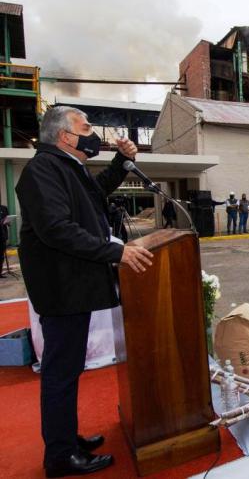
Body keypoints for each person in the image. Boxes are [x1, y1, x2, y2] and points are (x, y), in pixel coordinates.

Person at [16, 106, 154, 476]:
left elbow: (96, 195)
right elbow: (57, 230)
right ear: (65, 135)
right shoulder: (42, 170)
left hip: (72, 288)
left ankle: (65, 438)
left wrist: (121, 160)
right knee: (61, 373)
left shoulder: (66, 168)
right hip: (62, 291)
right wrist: (117, 252)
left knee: (68, 369)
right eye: (86, 126)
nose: (93, 133)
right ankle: (60, 457)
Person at [0, 203, 8, 277]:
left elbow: (7, 220)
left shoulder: (4, 208)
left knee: (2, 255)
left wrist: (8, 222)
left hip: (3, 235)